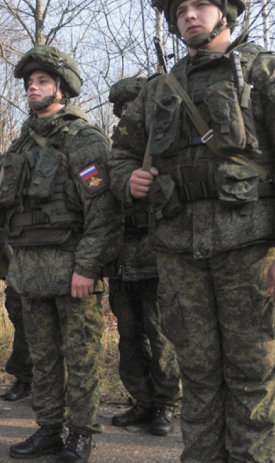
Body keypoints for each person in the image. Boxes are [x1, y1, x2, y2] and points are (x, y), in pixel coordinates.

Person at [107, 0, 275, 460]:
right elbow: (119, 152)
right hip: (180, 255)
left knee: (254, 377)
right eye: (180, 11)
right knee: (199, 376)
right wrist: (129, 179)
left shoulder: (266, 72)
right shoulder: (158, 90)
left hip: (251, 254)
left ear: (224, 12)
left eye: (199, 7)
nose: (189, 16)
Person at [0, 45, 122, 463]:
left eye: (42, 81)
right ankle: (48, 428)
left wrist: (88, 267)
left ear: (61, 89)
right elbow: (10, 200)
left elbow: (103, 211)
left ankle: (80, 435)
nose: (32, 89)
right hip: (28, 271)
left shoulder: (84, 140)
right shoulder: (20, 144)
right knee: (42, 359)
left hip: (72, 269)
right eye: (29, 83)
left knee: (81, 359)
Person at [106, 76, 181, 436]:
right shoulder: (115, 155)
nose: (126, 113)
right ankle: (141, 401)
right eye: (121, 109)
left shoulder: (167, 147)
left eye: (132, 106)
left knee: (161, 337)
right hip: (122, 258)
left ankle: (165, 405)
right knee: (129, 337)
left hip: (156, 257)